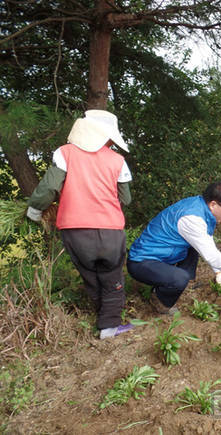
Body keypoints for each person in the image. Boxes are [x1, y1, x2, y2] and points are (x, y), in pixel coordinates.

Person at [26, 110, 134, 340]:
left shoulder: (64, 153)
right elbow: (125, 199)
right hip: (109, 230)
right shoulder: (118, 161)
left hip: (74, 230)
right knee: (112, 276)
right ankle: (109, 326)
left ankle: (102, 318)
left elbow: (49, 188)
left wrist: (35, 210)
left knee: (90, 275)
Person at [127, 181, 221, 315]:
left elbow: (208, 245)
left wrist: (219, 274)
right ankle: (160, 299)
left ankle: (172, 282)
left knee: (194, 249)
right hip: (142, 262)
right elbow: (214, 257)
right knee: (180, 278)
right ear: (213, 204)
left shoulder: (201, 207)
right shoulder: (192, 219)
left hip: (164, 254)